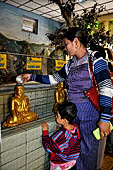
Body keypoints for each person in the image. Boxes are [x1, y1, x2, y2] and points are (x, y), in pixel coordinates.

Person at [21, 27, 113, 170]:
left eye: (66, 44)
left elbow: (106, 87)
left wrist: (105, 118)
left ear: (75, 42)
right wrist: (32, 76)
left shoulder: (95, 59)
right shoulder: (70, 64)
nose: (65, 48)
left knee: (90, 149)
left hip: (90, 113)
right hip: (73, 113)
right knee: (76, 147)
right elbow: (53, 79)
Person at [42, 101, 81, 170]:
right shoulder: (76, 128)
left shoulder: (60, 136)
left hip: (60, 165)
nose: (55, 116)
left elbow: (47, 147)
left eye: (57, 115)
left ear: (64, 121)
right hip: (72, 163)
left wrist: (45, 132)